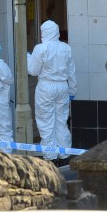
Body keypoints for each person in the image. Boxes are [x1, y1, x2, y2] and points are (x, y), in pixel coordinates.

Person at [27, 20, 76, 161]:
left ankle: (50, 156)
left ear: (44, 32)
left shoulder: (40, 48)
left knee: (46, 122)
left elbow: (33, 70)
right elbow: (72, 71)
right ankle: (65, 154)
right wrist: (72, 90)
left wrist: (27, 57)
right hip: (62, 87)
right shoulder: (66, 48)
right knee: (61, 121)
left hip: (46, 87)